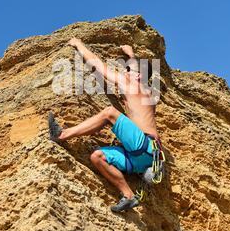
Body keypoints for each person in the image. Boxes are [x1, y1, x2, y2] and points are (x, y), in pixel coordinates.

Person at [49, 38, 160, 212]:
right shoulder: (149, 94)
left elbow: (99, 65)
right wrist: (131, 55)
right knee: (97, 157)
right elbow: (140, 71)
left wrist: (78, 44)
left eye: (128, 70)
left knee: (110, 113)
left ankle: (62, 134)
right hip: (140, 159)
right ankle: (128, 195)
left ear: (138, 75)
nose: (124, 72)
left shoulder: (132, 83)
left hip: (144, 144)